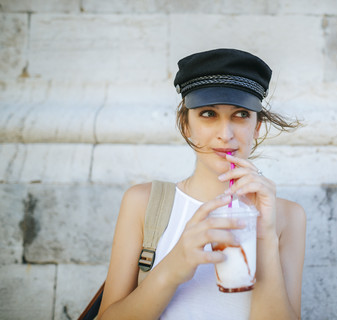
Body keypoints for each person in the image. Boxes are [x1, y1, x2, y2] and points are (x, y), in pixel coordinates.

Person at [97, 48, 306, 320]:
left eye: (241, 114)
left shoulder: (288, 217)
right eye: (208, 114)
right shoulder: (143, 203)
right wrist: (173, 267)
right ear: (186, 124)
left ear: (256, 127)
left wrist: (264, 235)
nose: (226, 134)